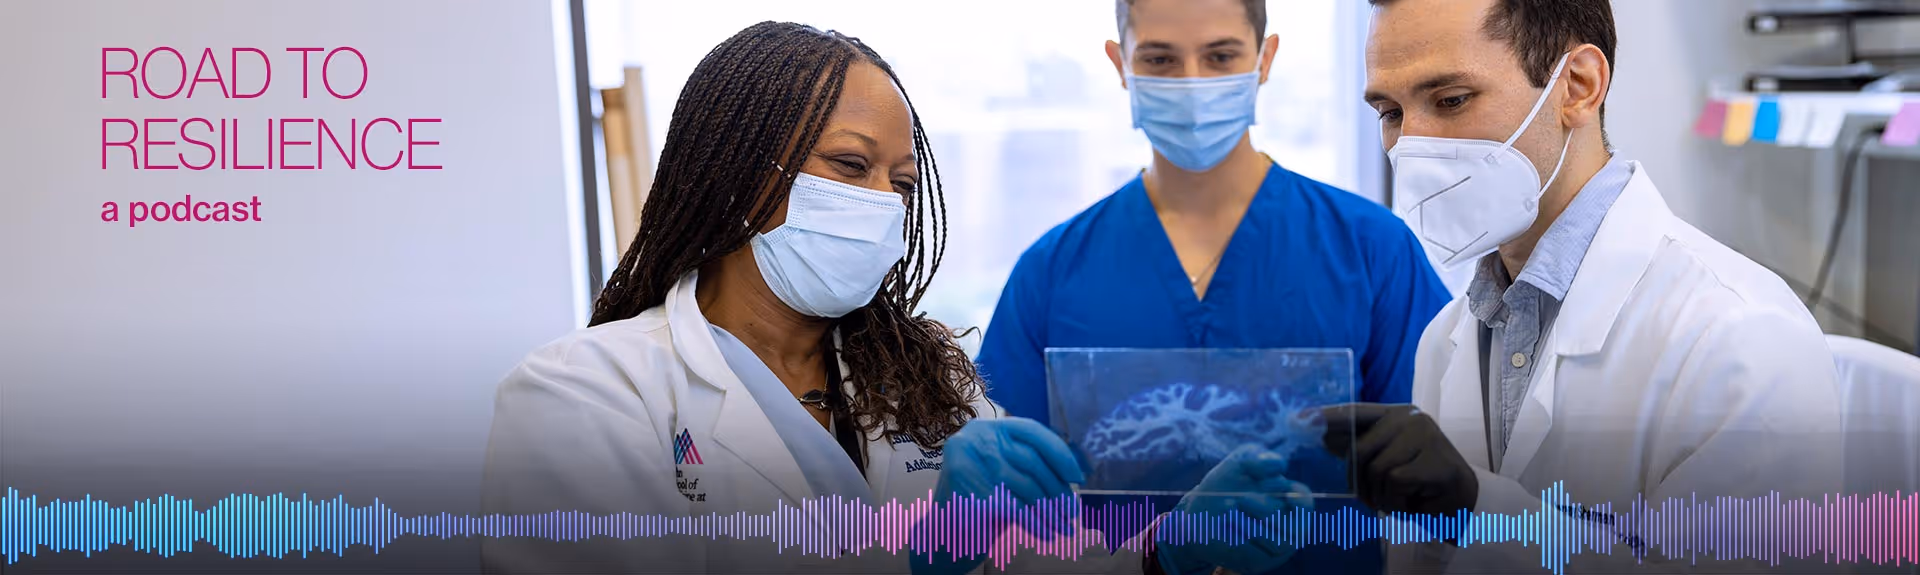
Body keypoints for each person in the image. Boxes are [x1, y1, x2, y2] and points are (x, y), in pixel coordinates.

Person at [1318, 0, 1842, 572]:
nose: (1411, 146)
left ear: (1577, 86)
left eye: (1450, 101)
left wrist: (1478, 506)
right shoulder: (1449, 337)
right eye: (1390, 112)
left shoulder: (1741, 338)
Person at [480, 21, 1022, 574]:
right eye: (851, 166)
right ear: (738, 172)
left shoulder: (927, 378)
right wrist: (919, 556)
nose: (884, 203)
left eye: (902, 184)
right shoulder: (585, 393)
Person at [976, 0, 1449, 434]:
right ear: (1121, 65)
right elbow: (1005, 484)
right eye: (1160, 59)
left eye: (1220, 57)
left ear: (1265, 60)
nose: (1192, 83)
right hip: (1109, 535)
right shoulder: (1049, 273)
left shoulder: (1374, 250)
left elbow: (1434, 471)